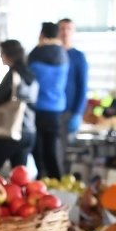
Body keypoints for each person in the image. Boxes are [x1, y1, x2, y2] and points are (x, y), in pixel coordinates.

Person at [0, 37, 36, 172]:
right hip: (29, 131)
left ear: (8, 54)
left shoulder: (13, 75)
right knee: (19, 176)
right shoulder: (30, 75)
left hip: (10, 131)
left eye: (2, 53)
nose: (0, 56)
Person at [26, 21, 69, 178]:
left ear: (42, 34)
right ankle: (57, 181)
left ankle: (40, 181)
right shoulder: (63, 54)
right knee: (52, 150)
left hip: (38, 108)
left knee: (37, 149)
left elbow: (28, 81)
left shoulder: (36, 54)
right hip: (56, 109)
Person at [57, 17, 90, 134]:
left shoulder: (78, 56)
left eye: (68, 29)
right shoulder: (53, 54)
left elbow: (83, 86)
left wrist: (78, 113)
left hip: (70, 110)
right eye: (62, 29)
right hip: (53, 109)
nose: (65, 32)